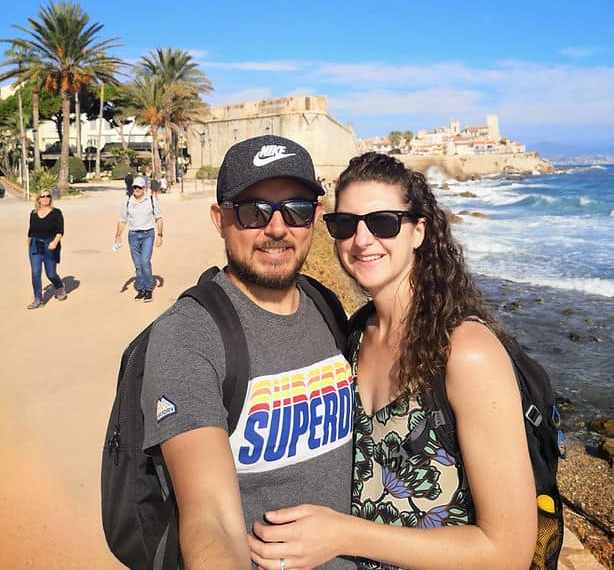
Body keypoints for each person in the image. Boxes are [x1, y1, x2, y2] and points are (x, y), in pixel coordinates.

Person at [249, 152, 537, 570]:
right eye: (345, 224)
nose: (361, 240)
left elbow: (508, 550)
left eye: (382, 222)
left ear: (418, 231)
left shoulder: (466, 352)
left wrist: (344, 534)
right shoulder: (351, 337)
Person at [141, 136, 355, 569]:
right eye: (253, 211)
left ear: (315, 216)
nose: (277, 229)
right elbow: (212, 520)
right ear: (220, 219)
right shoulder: (188, 335)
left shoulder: (327, 306)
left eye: (295, 209)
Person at [115, 175, 163, 302]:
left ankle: (148, 289)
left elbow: (159, 218)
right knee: (137, 265)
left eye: (139, 187)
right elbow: (122, 220)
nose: (137, 189)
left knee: (145, 262)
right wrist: (118, 234)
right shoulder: (127, 201)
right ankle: (141, 289)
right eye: (135, 187)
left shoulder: (151, 200)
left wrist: (160, 235)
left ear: (144, 188)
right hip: (133, 236)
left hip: (148, 234)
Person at [27, 189, 66, 309]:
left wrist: (55, 242)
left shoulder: (56, 213)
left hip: (50, 244)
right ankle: (38, 299)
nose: (45, 198)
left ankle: (59, 286)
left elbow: (60, 231)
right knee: (35, 273)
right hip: (35, 245)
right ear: (38, 199)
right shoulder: (33, 213)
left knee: (51, 274)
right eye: (43, 196)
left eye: (48, 196)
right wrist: (28, 246)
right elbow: (30, 232)